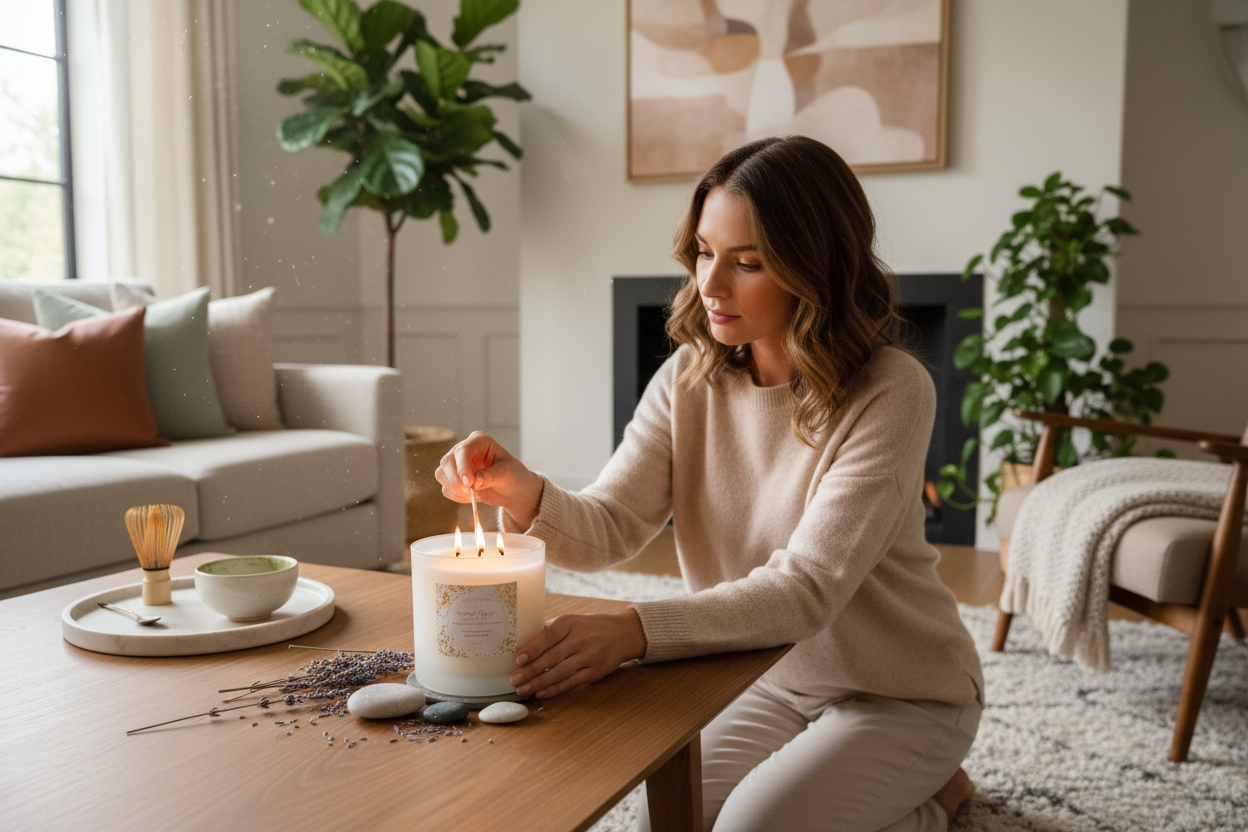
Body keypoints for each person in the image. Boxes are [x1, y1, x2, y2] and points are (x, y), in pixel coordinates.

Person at [435, 136, 983, 832]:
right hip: (769, 674)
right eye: (703, 252)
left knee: (751, 830)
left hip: (901, 692)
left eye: (747, 263)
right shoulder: (687, 379)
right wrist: (521, 490)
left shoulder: (893, 389)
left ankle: (940, 795)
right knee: (663, 823)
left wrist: (633, 630)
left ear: (814, 267)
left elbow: (807, 589)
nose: (711, 285)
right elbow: (610, 525)